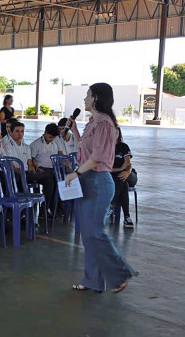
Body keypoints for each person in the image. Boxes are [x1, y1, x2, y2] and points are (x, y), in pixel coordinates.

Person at [65, 83, 136, 294]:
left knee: (95, 232)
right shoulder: (93, 122)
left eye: (88, 95)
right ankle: (93, 280)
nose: (84, 99)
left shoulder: (104, 123)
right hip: (88, 181)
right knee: (88, 234)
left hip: (97, 182)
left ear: (96, 98)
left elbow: (97, 158)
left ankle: (120, 272)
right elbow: (85, 149)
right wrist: (75, 130)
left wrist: (76, 173)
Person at [3, 121, 56, 211]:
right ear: (10, 132)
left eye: (22, 131)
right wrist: (22, 172)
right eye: (17, 131)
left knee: (49, 181)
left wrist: (34, 170)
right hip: (17, 174)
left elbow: (30, 163)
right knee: (51, 174)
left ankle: (44, 210)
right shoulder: (7, 146)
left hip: (28, 174)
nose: (20, 134)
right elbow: (10, 165)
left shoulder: (26, 147)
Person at [109, 127, 135, 228]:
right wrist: (120, 168)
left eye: (116, 133)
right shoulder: (105, 148)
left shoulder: (123, 146)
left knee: (123, 179)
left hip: (129, 175)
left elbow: (128, 163)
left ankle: (111, 204)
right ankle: (127, 217)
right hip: (116, 176)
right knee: (123, 183)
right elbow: (107, 168)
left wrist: (127, 171)